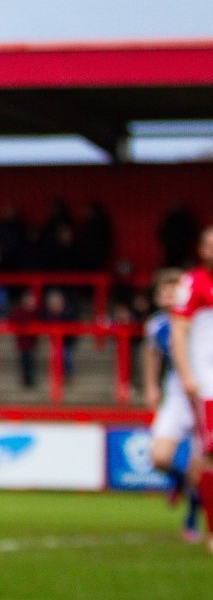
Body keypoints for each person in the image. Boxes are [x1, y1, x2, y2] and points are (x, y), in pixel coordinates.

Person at [141, 268, 203, 542]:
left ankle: (191, 518)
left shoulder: (202, 319)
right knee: (159, 457)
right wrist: (151, 386)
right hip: (176, 396)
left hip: (203, 393)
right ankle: (179, 484)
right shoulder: (156, 325)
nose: (168, 297)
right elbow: (152, 355)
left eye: (173, 290)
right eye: (162, 292)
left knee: (199, 467)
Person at [170, 225, 213, 553]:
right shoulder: (193, 283)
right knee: (210, 454)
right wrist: (187, 375)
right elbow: (178, 331)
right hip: (207, 382)